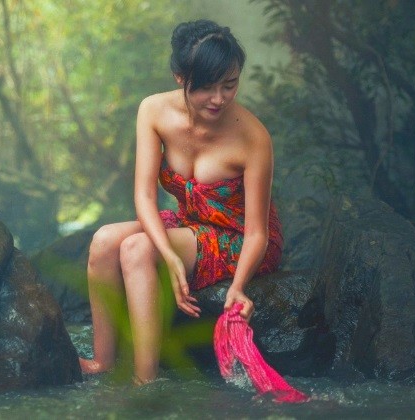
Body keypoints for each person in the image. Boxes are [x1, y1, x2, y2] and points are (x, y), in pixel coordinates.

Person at [78, 19, 283, 385]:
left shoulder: (254, 138)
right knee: (105, 240)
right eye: (205, 87)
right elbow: (143, 195)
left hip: (241, 238)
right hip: (190, 223)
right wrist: (171, 256)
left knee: (138, 249)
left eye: (229, 85)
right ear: (179, 76)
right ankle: (103, 361)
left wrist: (237, 287)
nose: (219, 98)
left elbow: (257, 233)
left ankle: (145, 381)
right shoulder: (153, 111)